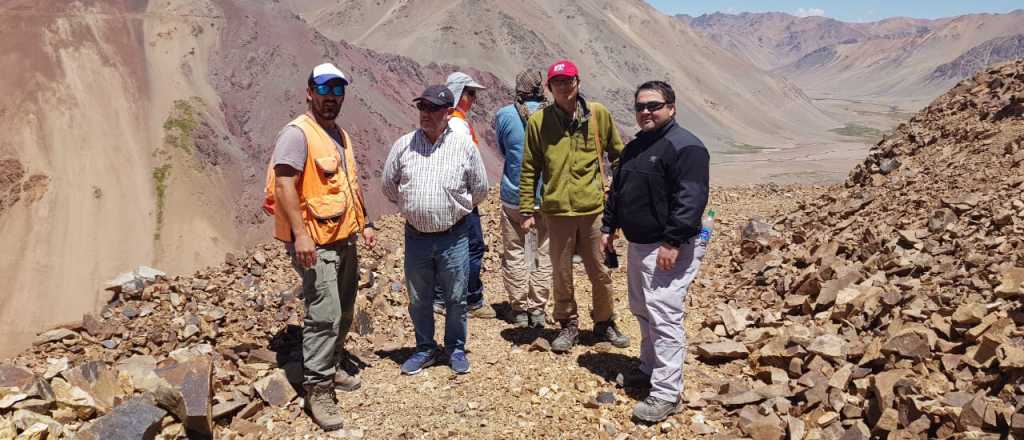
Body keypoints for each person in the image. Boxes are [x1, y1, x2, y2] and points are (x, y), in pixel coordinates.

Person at [263, 62, 376, 432]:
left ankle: (332, 362)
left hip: (344, 237)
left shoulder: (339, 134)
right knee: (324, 313)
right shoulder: (297, 134)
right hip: (314, 243)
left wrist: (366, 222)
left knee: (344, 310)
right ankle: (318, 388)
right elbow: (284, 186)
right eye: (324, 90)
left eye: (337, 91)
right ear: (309, 91)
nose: (331, 98)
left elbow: (348, 183)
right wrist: (301, 235)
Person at [601, 81, 710, 423]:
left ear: (671, 107)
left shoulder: (686, 147)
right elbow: (618, 191)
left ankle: (666, 393)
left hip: (667, 247)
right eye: (640, 107)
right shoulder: (635, 147)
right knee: (641, 308)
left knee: (664, 315)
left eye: (654, 105)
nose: (646, 111)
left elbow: (691, 199)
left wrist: (673, 241)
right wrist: (608, 227)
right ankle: (648, 367)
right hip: (640, 244)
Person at [519, 59, 630, 353]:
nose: (564, 86)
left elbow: (618, 157)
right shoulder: (539, 122)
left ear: (578, 82)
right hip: (556, 211)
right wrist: (527, 209)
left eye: (569, 81)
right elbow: (530, 167)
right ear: (549, 88)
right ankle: (568, 324)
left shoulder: (598, 115)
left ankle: (605, 322)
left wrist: (620, 200)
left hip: (593, 208)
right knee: (561, 271)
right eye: (558, 82)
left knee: (600, 269)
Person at [381, 84, 489, 376]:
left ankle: (455, 348)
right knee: (419, 298)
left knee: (455, 297)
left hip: (453, 236)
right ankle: (425, 348)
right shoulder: (404, 145)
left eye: (432, 108)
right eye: (422, 107)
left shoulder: (464, 146)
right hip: (416, 236)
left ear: (447, 112)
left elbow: (480, 188)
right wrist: (412, 205)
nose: (425, 114)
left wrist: (454, 208)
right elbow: (388, 185)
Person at [430, 72, 496, 319]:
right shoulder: (458, 125)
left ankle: (440, 296)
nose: (474, 99)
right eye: (470, 93)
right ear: (459, 94)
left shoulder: (448, 122)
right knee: (473, 246)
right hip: (463, 198)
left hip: (450, 197)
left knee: (447, 245)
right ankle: (471, 298)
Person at [493, 70, 552, 328]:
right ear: (541, 88)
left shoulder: (505, 115)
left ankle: (518, 309)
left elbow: (503, 150)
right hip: (545, 197)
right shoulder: (552, 115)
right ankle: (538, 309)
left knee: (515, 251)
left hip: (513, 196)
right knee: (541, 251)